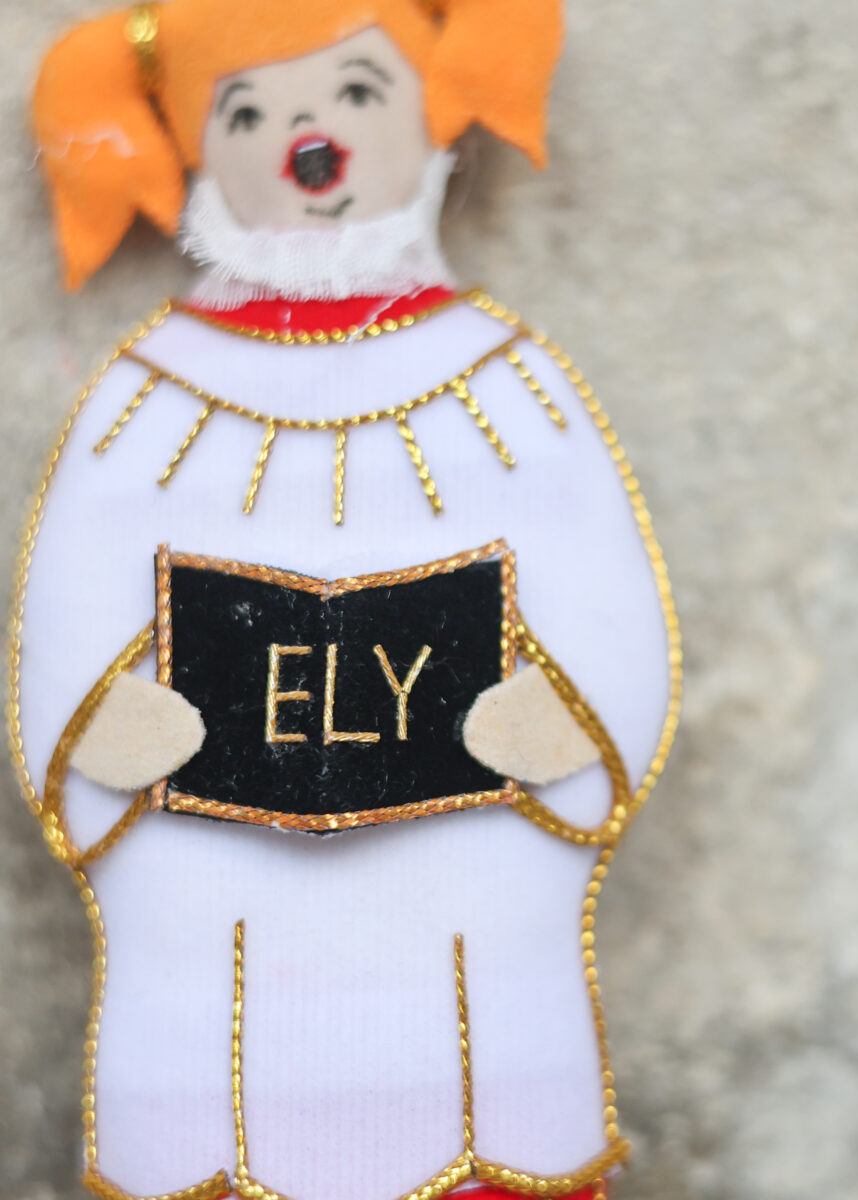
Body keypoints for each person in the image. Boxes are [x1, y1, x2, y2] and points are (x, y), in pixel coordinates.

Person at [13, 4, 680, 1199]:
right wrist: (99, 725)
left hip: (473, 939)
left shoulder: (509, 384)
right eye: (249, 112)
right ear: (198, 152)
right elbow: (66, 615)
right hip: (215, 940)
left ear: (430, 113)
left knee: (476, 1062)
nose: (305, 137)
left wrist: (569, 716)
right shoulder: (143, 399)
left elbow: (610, 601)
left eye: (356, 93)